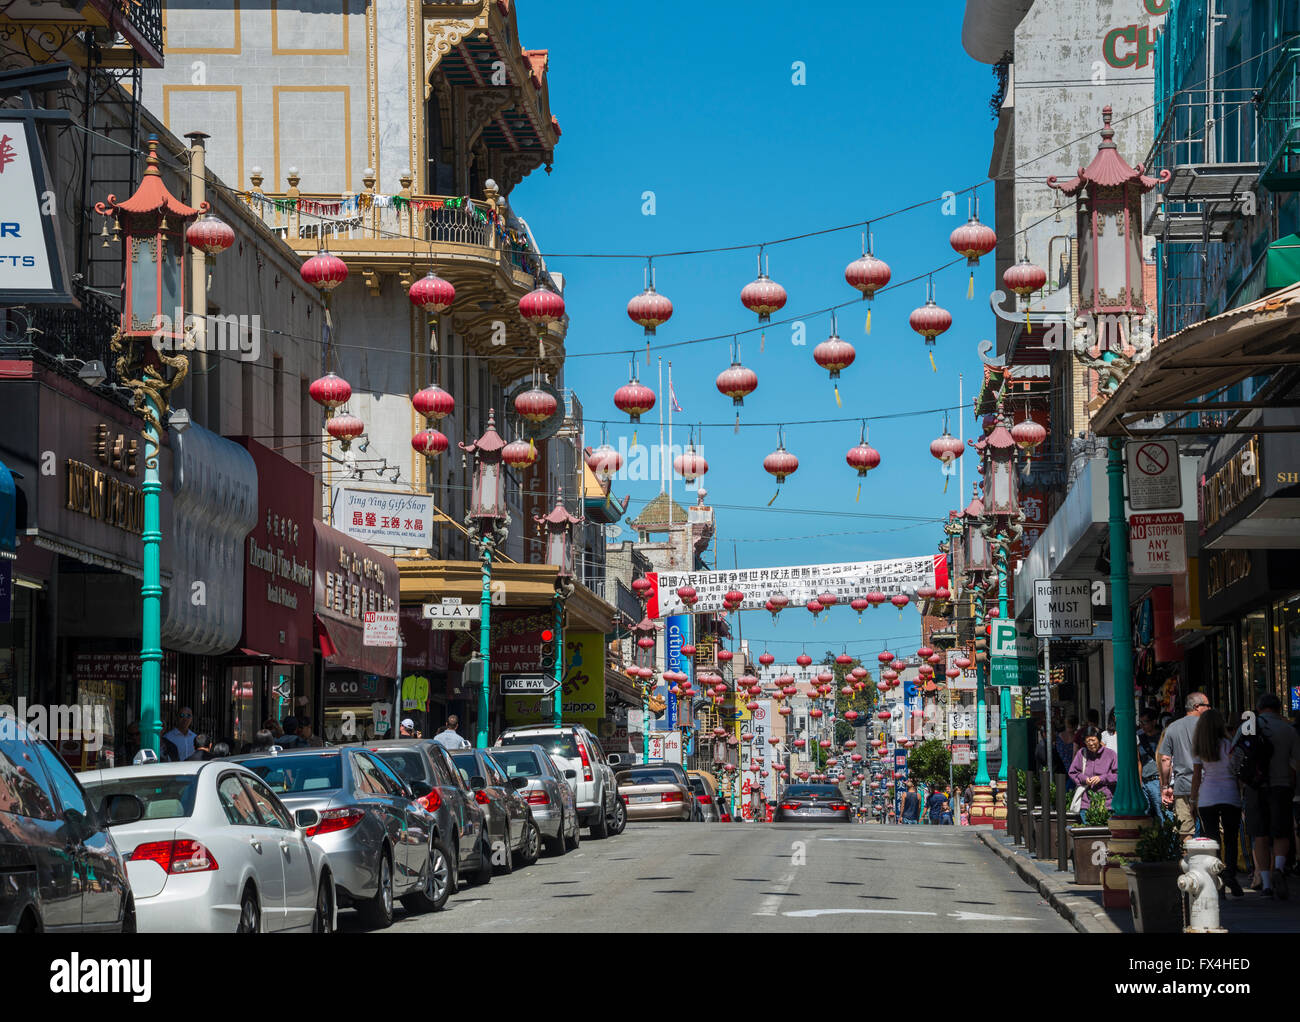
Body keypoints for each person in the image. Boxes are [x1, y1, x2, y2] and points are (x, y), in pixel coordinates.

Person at [1232, 693, 1299, 900]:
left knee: (1259, 835)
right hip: (1281, 787)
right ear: (1279, 709)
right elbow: (1297, 763)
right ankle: (1279, 867)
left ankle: (1267, 883)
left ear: (1259, 709)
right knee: (1281, 832)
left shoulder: (1247, 727)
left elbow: (1235, 758)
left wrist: (1242, 783)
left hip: (1254, 787)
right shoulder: (1289, 730)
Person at [1190, 707, 1243, 897]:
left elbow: (1196, 777)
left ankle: (1217, 876)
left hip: (1207, 797)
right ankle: (1230, 873)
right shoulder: (1230, 745)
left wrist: (1192, 799)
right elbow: (1238, 772)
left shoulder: (1200, 748)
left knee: (1212, 840)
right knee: (1230, 838)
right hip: (1230, 795)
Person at [1159, 692, 1211, 840]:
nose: (1209, 708)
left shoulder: (1173, 728)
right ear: (1197, 706)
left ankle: (1188, 861)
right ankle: (1214, 862)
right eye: (1207, 705)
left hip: (1182, 787)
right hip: (1208, 786)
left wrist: (1165, 786)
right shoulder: (1208, 726)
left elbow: (1165, 759)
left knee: (1185, 831)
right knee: (1212, 830)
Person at [1069, 725, 1118, 809]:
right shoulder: (1081, 753)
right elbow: (1073, 772)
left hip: (1107, 804)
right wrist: (1084, 779)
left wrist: (1102, 778)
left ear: (1099, 740)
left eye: (1093, 740)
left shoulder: (1111, 754)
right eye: (1088, 741)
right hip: (1086, 804)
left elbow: (1118, 775)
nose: (1091, 743)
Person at [1137, 706, 1166, 820]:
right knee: (1144, 815)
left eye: (1145, 722)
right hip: (1143, 781)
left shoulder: (1163, 737)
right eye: (1140, 722)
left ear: (1154, 722)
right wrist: (1139, 783)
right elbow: (1138, 761)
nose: (1142, 726)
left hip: (1157, 780)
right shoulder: (1138, 737)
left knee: (1161, 814)